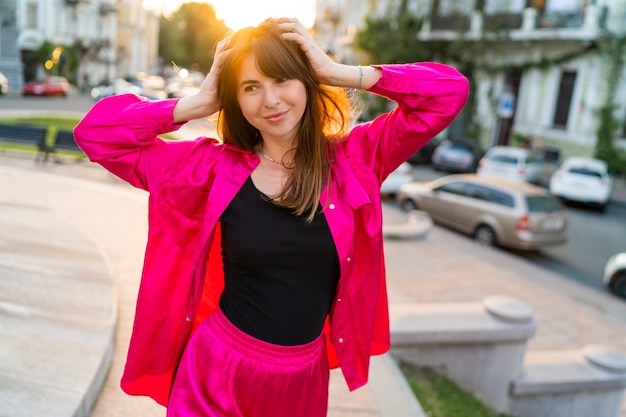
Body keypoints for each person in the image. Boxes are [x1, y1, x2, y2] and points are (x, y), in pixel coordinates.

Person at [74, 17, 469, 417]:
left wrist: (336, 72)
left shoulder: (358, 158)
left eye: (282, 79)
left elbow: (447, 92)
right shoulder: (209, 169)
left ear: (306, 80)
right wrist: (200, 101)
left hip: (303, 380)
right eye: (250, 87)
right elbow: (97, 135)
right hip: (217, 371)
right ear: (237, 101)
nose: (271, 100)